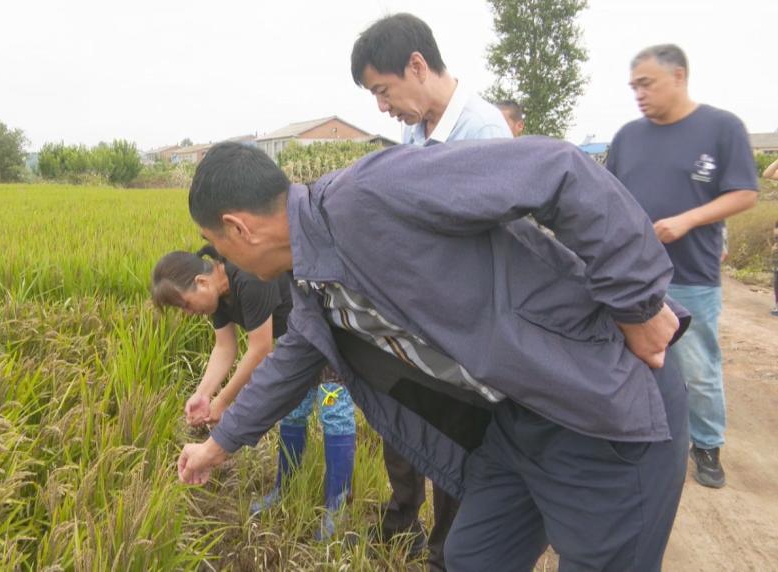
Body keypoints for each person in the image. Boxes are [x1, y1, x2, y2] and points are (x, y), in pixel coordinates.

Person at [178, 139, 690, 571]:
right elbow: (290, 363)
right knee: (473, 558)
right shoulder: (313, 282)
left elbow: (558, 168)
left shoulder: (369, 193)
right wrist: (217, 445)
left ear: (239, 228)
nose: (221, 258)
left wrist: (638, 302)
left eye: (214, 243)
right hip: (516, 422)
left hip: (598, 402)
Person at [349, 14, 511, 568]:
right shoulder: (415, 131)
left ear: (417, 65)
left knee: (451, 441)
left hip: (462, 324)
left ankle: (446, 552)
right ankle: (402, 525)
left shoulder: (482, 133)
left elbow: (494, 242)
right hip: (417, 313)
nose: (382, 106)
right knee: (403, 421)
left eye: (383, 90)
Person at [606, 44, 758, 489]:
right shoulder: (628, 137)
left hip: (690, 274)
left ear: (678, 76)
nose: (639, 94)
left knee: (697, 365)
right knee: (632, 361)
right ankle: (640, 439)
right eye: (634, 87)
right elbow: (607, 195)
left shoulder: (722, 128)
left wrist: (688, 220)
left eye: (646, 84)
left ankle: (707, 445)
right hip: (632, 275)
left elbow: (745, 193)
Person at [150, 246, 356, 539]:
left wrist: (223, 401)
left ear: (201, 282)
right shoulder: (218, 297)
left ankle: (336, 507)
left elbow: (260, 349)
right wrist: (203, 394)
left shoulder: (248, 277)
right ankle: (284, 489)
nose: (189, 312)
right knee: (292, 413)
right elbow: (225, 347)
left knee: (334, 413)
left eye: (185, 304)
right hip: (296, 347)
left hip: (328, 336)